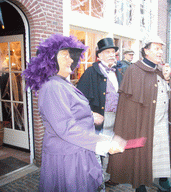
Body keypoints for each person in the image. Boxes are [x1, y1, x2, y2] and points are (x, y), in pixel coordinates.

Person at [22, 34, 126, 192]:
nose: (71, 60)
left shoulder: (62, 83)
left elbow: (69, 113)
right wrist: (103, 142)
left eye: (70, 55)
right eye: (64, 55)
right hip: (68, 157)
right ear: (49, 60)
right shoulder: (52, 87)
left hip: (76, 150)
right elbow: (65, 127)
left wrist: (90, 116)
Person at [107, 35, 171, 192]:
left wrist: (168, 79)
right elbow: (128, 106)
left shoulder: (161, 69)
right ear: (146, 50)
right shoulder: (134, 70)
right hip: (143, 123)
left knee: (162, 153)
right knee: (141, 154)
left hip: (162, 122)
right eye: (156, 48)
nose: (160, 52)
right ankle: (140, 184)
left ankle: (162, 180)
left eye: (161, 49)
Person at [76, 37, 122, 187]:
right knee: (97, 153)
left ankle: (110, 177)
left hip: (116, 119)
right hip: (99, 121)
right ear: (99, 56)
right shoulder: (90, 72)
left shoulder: (118, 73)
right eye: (107, 52)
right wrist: (91, 115)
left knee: (111, 150)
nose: (111, 55)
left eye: (113, 52)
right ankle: (97, 183)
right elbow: (79, 99)